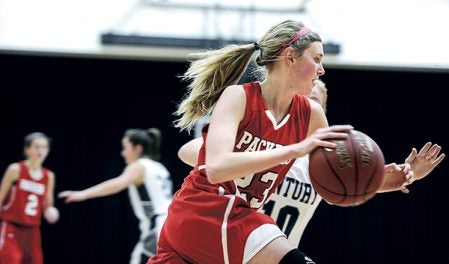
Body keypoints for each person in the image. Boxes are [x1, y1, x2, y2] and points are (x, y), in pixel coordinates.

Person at [149, 19, 359, 264]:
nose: (322, 69)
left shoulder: (311, 114)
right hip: (205, 211)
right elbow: (216, 169)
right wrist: (295, 149)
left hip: (234, 225)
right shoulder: (238, 97)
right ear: (290, 56)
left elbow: (332, 183)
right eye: (317, 59)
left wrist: (384, 179)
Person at [178, 80, 446, 247]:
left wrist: (391, 178)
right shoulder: (258, 143)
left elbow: (340, 193)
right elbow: (188, 152)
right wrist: (260, 155)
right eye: (300, 100)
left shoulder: (322, 166)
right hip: (225, 246)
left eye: (311, 103)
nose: (302, 106)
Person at [59, 128, 173, 264]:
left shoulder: (138, 166)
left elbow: (118, 184)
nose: (123, 153)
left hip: (156, 225)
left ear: (138, 148)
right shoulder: (159, 167)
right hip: (172, 222)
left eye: (125, 148)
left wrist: (82, 194)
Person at [0, 132, 59, 264]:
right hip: (11, 226)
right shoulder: (16, 169)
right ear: (27, 149)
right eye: (37, 147)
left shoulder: (49, 176)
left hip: (33, 230)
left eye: (44, 147)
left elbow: (48, 205)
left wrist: (50, 211)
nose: (41, 151)